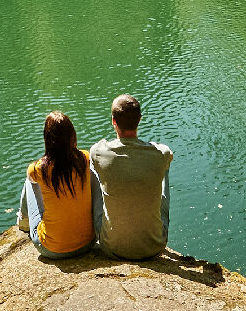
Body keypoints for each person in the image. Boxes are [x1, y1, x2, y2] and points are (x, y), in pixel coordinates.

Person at [90, 93, 173, 259]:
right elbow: (167, 152)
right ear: (140, 119)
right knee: (163, 170)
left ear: (114, 121)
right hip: (154, 247)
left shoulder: (99, 152)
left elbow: (95, 153)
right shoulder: (161, 154)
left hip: (112, 247)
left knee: (95, 174)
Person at [17, 111, 100, 259]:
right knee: (90, 172)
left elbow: (31, 177)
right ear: (72, 136)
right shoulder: (84, 158)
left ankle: (23, 221)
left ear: (48, 139)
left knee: (30, 182)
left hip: (52, 249)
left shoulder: (38, 169)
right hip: (88, 243)